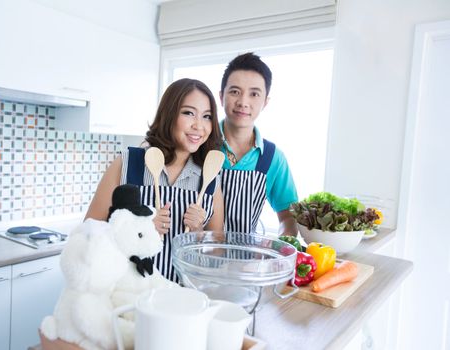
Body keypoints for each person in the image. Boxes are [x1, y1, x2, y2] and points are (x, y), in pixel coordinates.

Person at [85, 78, 224, 281]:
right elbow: (89, 231)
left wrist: (198, 232)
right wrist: (138, 227)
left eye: (207, 116)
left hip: (181, 300)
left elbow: (217, 253)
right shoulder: (129, 163)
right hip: (128, 297)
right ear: (169, 114)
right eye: (188, 113)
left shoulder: (210, 178)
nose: (199, 125)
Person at [219, 52, 298, 236]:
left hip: (246, 261)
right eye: (234, 92)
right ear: (221, 96)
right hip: (196, 259)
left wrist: (280, 250)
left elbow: (288, 217)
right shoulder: (200, 144)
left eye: (254, 94)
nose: (243, 102)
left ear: (265, 102)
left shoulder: (272, 157)